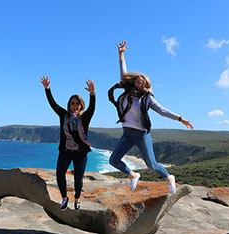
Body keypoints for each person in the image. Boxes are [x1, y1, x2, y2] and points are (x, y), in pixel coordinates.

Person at [108, 41, 193, 194]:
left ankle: (169, 177)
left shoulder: (147, 98)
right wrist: (121, 55)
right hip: (127, 133)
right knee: (113, 160)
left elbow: (162, 110)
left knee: (152, 165)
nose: (139, 83)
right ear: (134, 82)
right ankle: (133, 175)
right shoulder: (127, 92)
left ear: (146, 84)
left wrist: (180, 118)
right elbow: (123, 74)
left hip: (141, 134)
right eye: (137, 81)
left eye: (142, 82)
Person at [40, 76, 95, 211]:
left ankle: (77, 199)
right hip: (65, 151)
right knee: (59, 174)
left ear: (81, 105)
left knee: (78, 179)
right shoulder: (63, 115)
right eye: (72, 103)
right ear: (69, 105)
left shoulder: (84, 118)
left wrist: (92, 94)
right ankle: (64, 198)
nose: (75, 106)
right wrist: (47, 89)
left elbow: (92, 107)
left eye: (77, 103)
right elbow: (53, 104)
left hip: (80, 153)